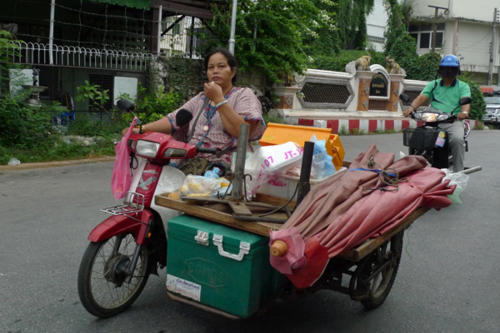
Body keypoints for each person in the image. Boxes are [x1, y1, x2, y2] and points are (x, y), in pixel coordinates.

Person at [122, 47, 266, 173]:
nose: (215, 71)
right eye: (211, 67)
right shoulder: (201, 98)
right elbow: (173, 120)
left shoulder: (244, 95)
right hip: (192, 164)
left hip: (228, 169)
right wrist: (142, 129)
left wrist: (219, 100)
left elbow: (241, 132)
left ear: (232, 72)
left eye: (221, 66)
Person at [402, 54, 471, 172]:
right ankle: (412, 166)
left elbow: (466, 101)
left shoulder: (463, 86)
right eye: (444, 68)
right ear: (440, 70)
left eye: (451, 68)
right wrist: (411, 109)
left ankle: (459, 171)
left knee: (457, 139)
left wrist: (464, 112)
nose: (447, 71)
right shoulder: (433, 84)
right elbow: (422, 97)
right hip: (434, 120)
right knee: (417, 137)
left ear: (457, 71)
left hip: (452, 120)